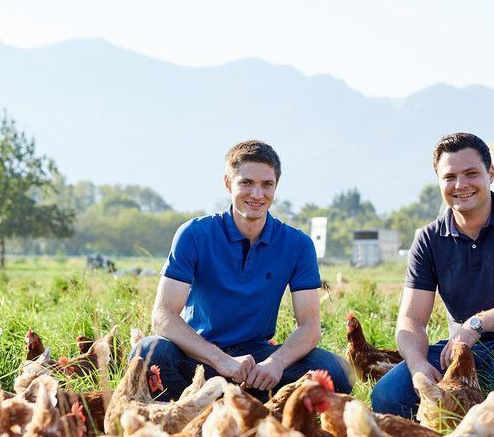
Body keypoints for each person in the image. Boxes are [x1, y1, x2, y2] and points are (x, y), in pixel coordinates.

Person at [133, 140, 352, 400]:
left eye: (266, 184)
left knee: (336, 371)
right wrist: (221, 360)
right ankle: (195, 409)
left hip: (256, 360)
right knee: (147, 352)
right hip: (198, 355)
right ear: (228, 183)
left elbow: (310, 326)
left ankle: (242, 403)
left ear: (276, 186)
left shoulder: (298, 244)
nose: (257, 194)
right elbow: (163, 316)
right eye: (246, 183)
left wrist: (276, 363)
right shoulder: (193, 234)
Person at [371, 132, 494, 418]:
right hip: (462, 354)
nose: (460, 185)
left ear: (490, 174)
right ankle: (467, 407)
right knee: (387, 396)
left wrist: (477, 324)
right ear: (439, 181)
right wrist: (417, 364)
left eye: (471, 173)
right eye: (449, 177)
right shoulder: (429, 239)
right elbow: (412, 319)